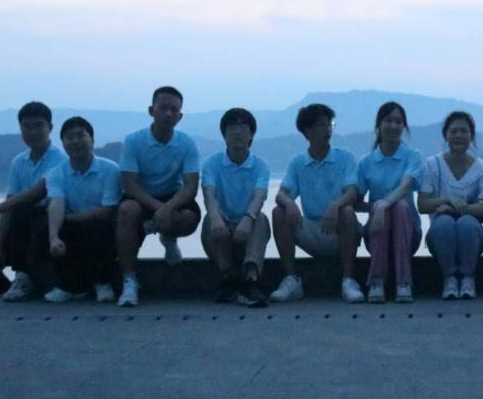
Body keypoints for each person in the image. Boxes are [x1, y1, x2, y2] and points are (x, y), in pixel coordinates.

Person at [0, 101, 66, 300]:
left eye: (38, 126)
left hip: (48, 231)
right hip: (19, 230)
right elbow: (11, 204)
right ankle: (6, 289)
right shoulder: (19, 162)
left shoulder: (59, 159)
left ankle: (23, 276)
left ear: (50, 128)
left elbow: (38, 192)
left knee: (24, 210)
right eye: (27, 126)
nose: (32, 132)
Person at [269, 104, 365, 303]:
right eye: (322, 125)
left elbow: (352, 191)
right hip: (312, 230)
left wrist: (336, 204)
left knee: (347, 211)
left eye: (330, 124)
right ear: (307, 130)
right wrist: (290, 203)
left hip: (339, 229)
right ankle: (292, 280)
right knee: (279, 212)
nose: (328, 129)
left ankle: (348, 281)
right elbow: (281, 194)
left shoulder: (345, 157)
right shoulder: (298, 163)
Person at [115, 86, 201, 307]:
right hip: (141, 196)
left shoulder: (186, 143)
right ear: (151, 110)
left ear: (180, 116)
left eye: (174, 110)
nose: (168, 114)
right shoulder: (133, 141)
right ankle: (129, 280)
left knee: (189, 217)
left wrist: (168, 208)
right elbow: (129, 184)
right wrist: (159, 208)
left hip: (172, 194)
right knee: (126, 211)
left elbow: (191, 186)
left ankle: (168, 237)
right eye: (163, 108)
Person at [418, 111, 483, 299]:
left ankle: (468, 278)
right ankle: (449, 278)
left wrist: (456, 209)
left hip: (473, 237)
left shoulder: (482, 169)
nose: (458, 135)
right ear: (446, 135)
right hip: (439, 236)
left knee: (466, 223)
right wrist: (446, 199)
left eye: (464, 131)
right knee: (444, 223)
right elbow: (422, 204)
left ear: (471, 135)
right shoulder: (432, 165)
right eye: (453, 131)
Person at [43, 117, 121, 303]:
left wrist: (67, 218)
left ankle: (103, 282)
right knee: (47, 227)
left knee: (96, 228)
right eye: (70, 137)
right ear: (63, 144)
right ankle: (69, 286)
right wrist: (53, 237)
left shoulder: (110, 169)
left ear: (92, 140)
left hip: (104, 227)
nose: (76, 141)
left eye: (81, 135)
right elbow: (56, 203)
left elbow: (106, 211)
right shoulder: (56, 174)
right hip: (75, 226)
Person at [200, 108, 271, 307]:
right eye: (232, 127)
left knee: (261, 219)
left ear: (252, 134)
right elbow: (209, 194)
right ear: (224, 134)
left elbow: (259, 195)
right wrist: (215, 217)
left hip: (247, 233)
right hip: (220, 233)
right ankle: (228, 278)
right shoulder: (211, 163)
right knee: (210, 219)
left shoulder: (260, 165)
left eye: (243, 127)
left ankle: (251, 280)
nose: (237, 132)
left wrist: (248, 219)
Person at [355, 101, 423, 303]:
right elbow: (356, 202)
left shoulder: (413, 156)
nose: (393, 126)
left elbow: (406, 186)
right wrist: (375, 208)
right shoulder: (366, 162)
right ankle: (376, 281)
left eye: (398, 121)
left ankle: (404, 282)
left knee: (400, 206)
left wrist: (383, 204)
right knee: (384, 207)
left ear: (404, 126)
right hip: (377, 233)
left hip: (408, 234)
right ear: (379, 125)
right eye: (388, 120)